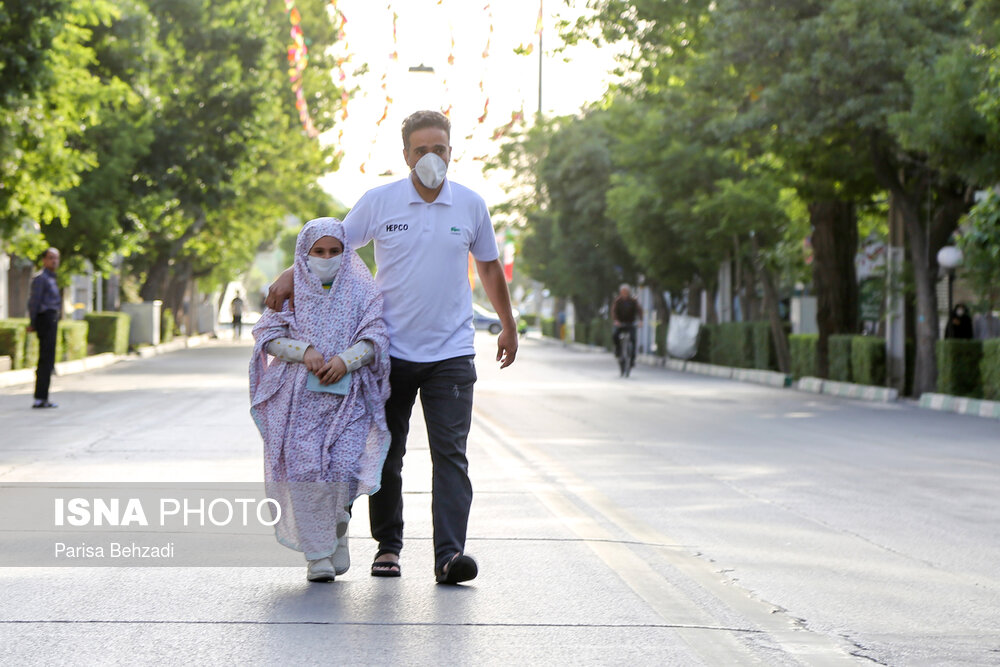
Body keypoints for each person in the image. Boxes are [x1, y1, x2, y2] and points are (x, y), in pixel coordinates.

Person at [266, 110, 518, 584]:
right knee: (386, 453)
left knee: (451, 456)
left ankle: (449, 557)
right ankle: (388, 547)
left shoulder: (470, 205)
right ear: (406, 154)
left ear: (451, 151)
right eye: (420, 150)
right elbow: (332, 242)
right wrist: (288, 276)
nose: (430, 158)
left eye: (438, 149)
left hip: (452, 354)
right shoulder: (380, 202)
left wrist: (508, 323)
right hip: (388, 353)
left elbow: (488, 267)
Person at [250, 218, 391, 583]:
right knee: (306, 472)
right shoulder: (290, 290)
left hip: (349, 399)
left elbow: (376, 336)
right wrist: (303, 351)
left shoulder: (363, 290)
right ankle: (318, 557)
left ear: (346, 253)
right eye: (319, 252)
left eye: (334, 251)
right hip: (299, 402)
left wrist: (347, 360)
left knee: (343, 469)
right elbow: (266, 333)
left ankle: (338, 526)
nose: (327, 258)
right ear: (304, 253)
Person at [27, 248, 61, 409]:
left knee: (49, 360)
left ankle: (44, 397)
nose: (54, 261)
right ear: (44, 260)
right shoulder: (41, 279)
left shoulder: (52, 279)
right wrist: (32, 322)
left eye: (56, 258)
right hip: (45, 319)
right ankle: (40, 398)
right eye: (51, 258)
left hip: (52, 319)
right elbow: (34, 302)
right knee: (45, 359)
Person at [612, 284, 643, 374]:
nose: (624, 293)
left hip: (630, 323)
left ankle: (632, 359)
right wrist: (616, 321)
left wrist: (640, 321)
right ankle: (618, 350)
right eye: (623, 291)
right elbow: (614, 312)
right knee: (615, 335)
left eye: (626, 291)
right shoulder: (618, 301)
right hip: (620, 323)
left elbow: (639, 311)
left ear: (628, 292)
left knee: (633, 339)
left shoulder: (633, 301)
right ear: (620, 292)